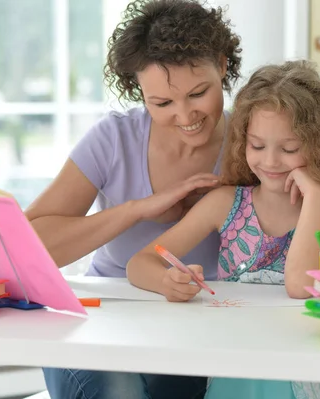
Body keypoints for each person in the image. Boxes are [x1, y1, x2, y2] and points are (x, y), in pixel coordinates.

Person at [127, 60, 320, 398]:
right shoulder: (225, 204)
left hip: (312, 378)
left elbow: (300, 285)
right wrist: (167, 282)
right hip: (237, 373)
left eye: (290, 148)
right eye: (257, 145)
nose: (270, 161)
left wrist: (315, 197)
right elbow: (140, 263)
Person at [24, 0, 242, 397]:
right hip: (104, 317)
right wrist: (138, 210)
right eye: (161, 103)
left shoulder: (254, 145)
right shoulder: (114, 140)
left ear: (223, 66)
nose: (185, 115)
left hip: (202, 323)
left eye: (198, 93)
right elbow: (28, 248)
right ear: (138, 90)